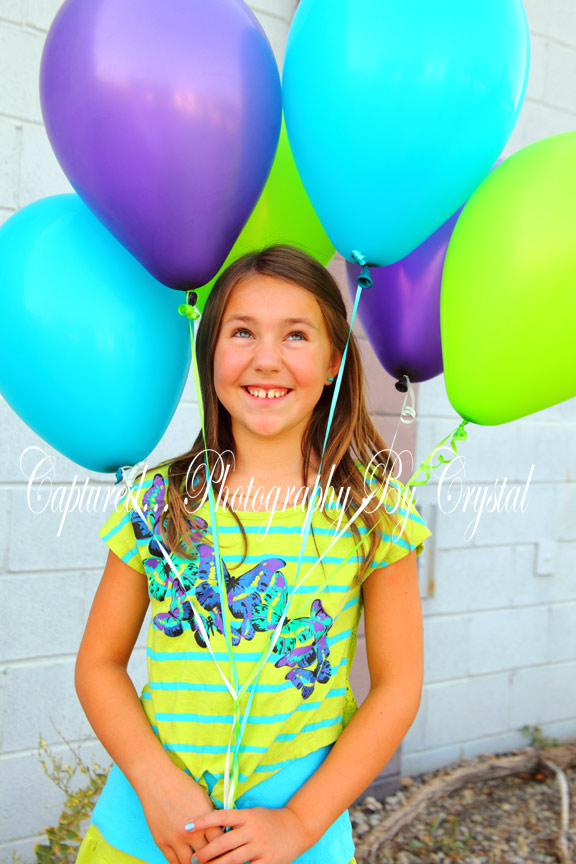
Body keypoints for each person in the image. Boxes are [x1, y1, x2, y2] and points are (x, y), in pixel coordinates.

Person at [75, 244, 432, 864]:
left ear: (333, 362)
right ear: (210, 354)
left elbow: (398, 687)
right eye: (242, 332)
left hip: (296, 839)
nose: (267, 359)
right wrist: (155, 784)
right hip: (146, 832)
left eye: (296, 335)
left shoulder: (375, 513)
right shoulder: (160, 503)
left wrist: (298, 822)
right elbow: (98, 664)